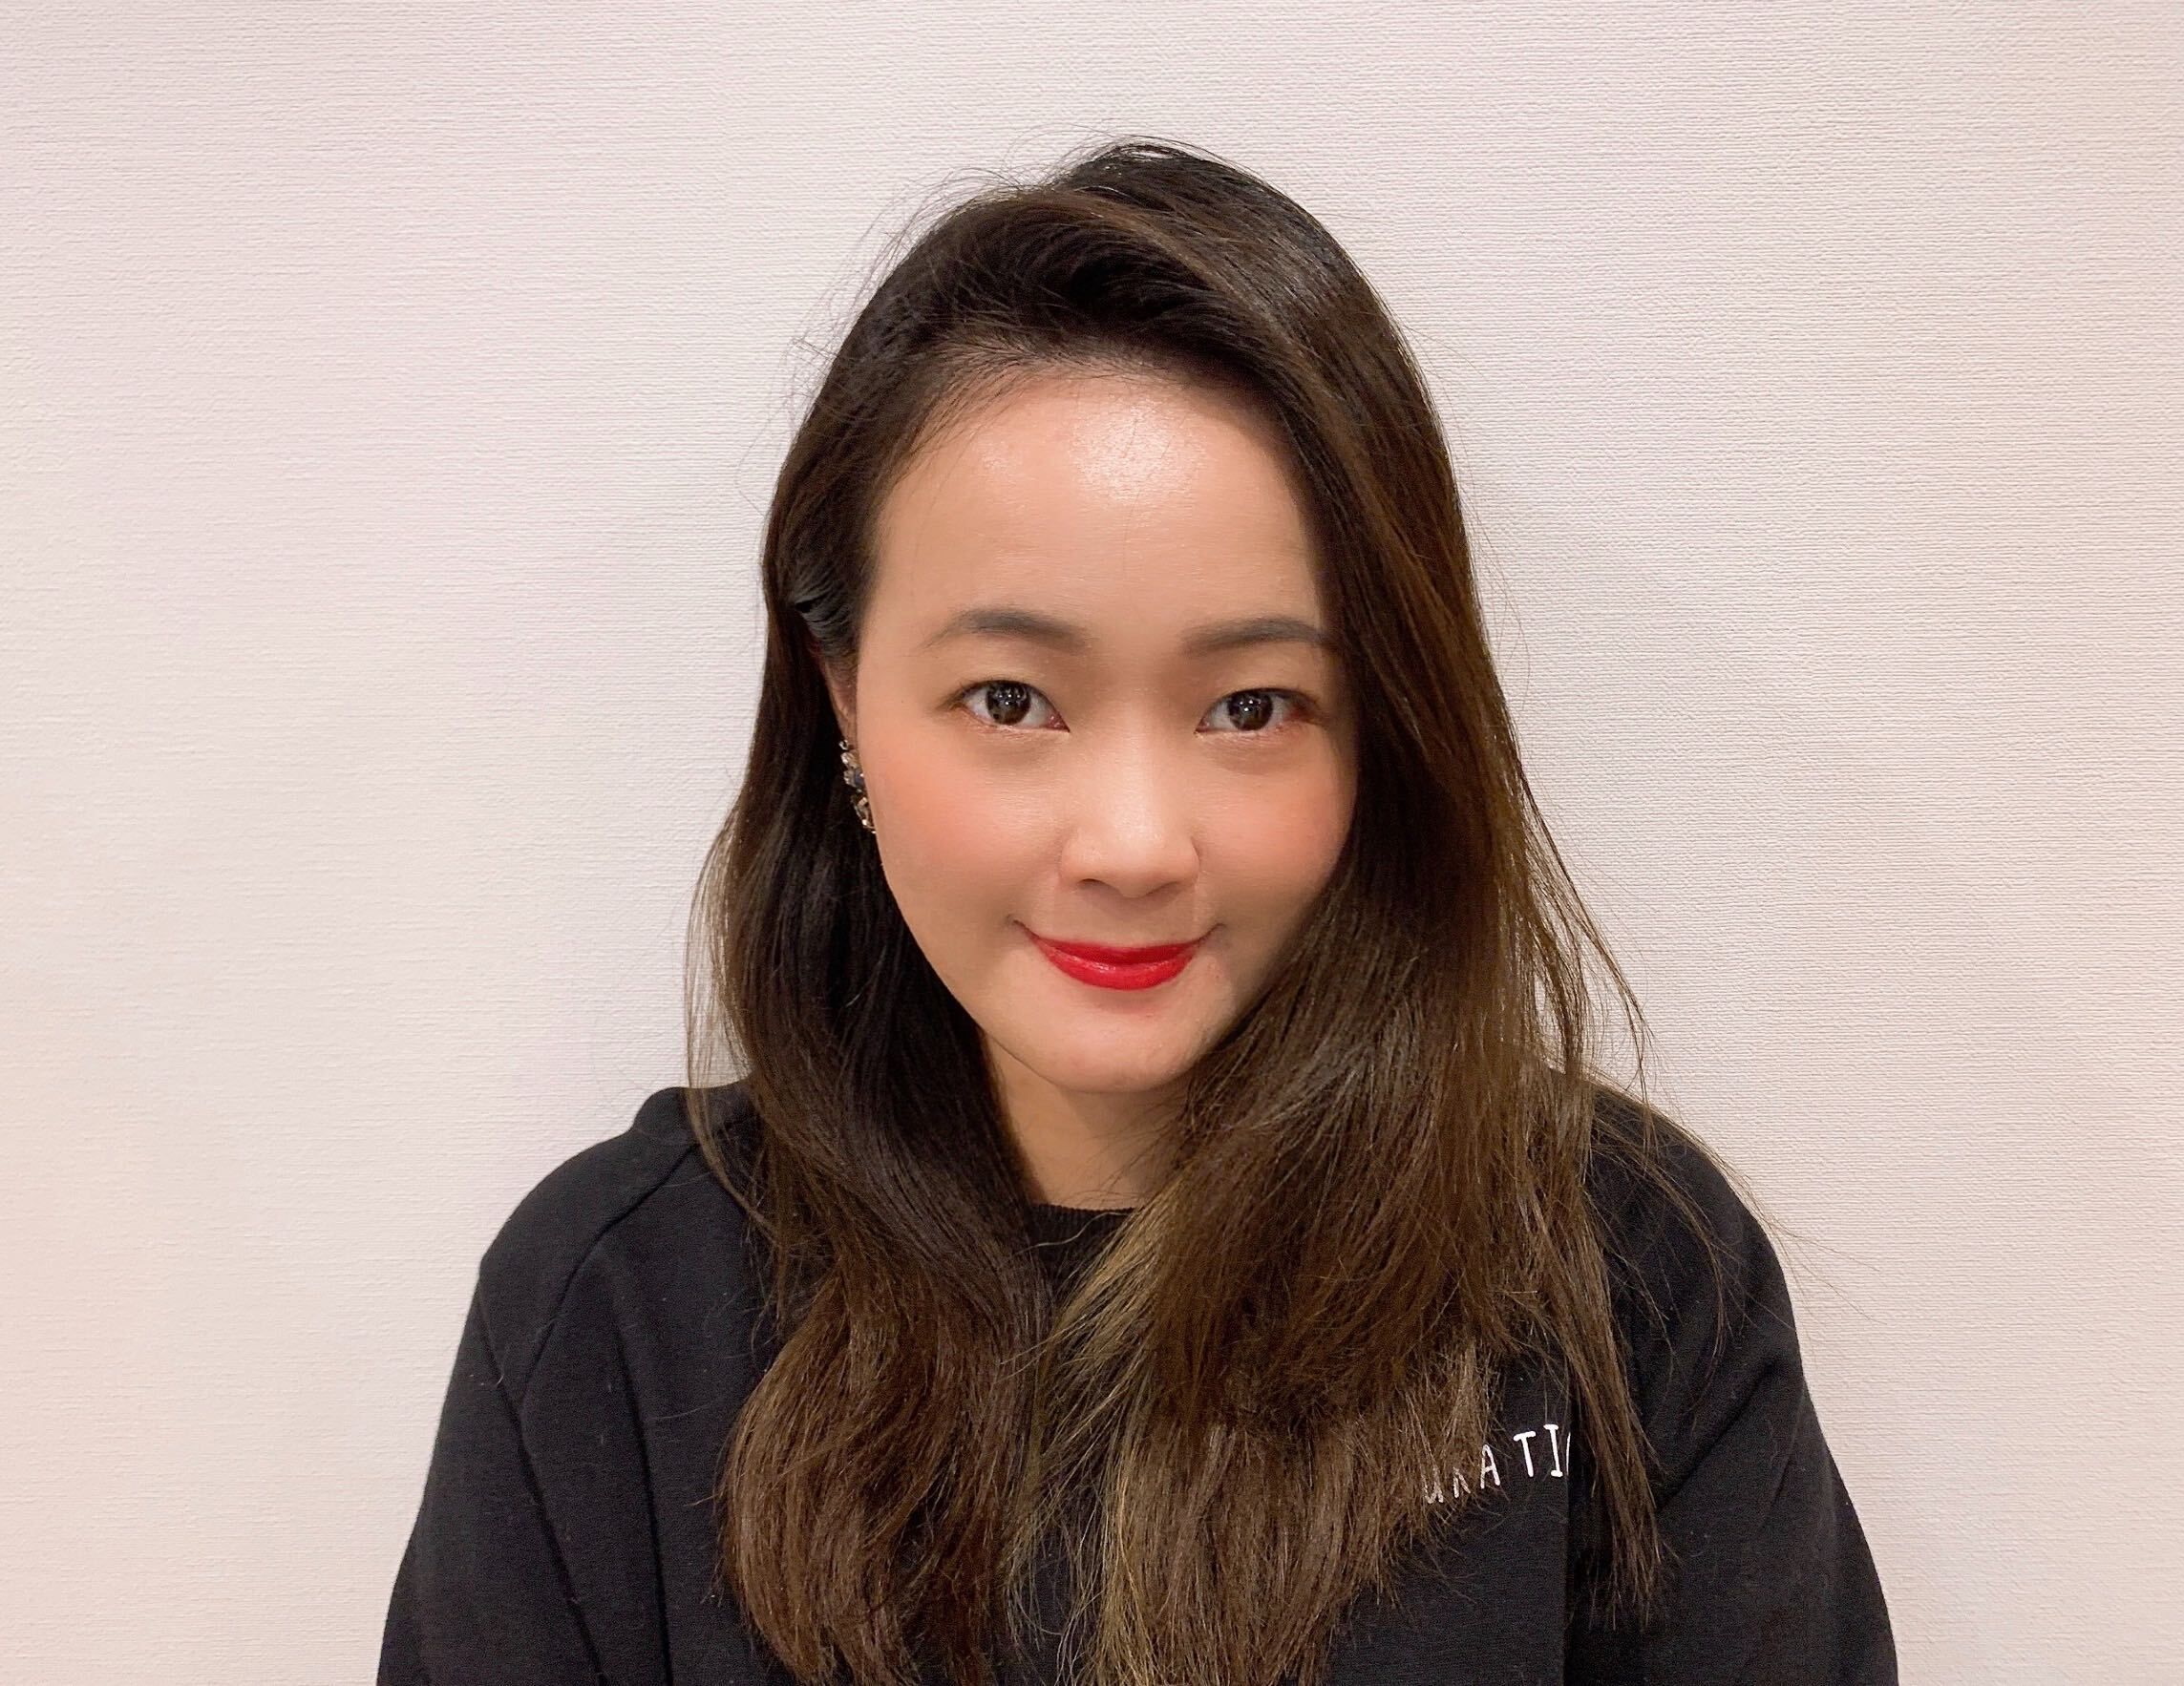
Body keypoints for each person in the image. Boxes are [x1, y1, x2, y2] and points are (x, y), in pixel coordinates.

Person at [380, 137, 1897, 1686]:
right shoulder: (616, 1310)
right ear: (840, 697)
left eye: (1250, 706)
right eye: (1009, 698)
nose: (1130, 845)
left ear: (1379, 728)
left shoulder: (1625, 1276)